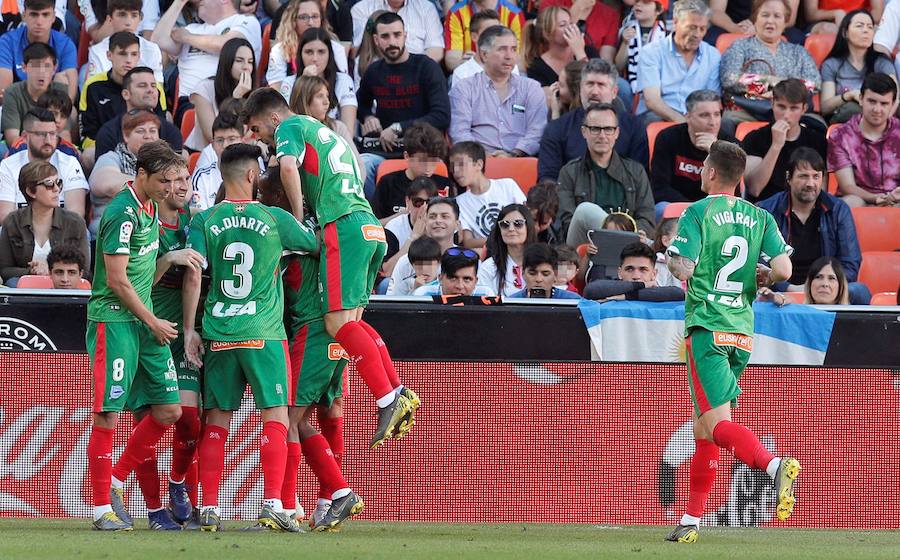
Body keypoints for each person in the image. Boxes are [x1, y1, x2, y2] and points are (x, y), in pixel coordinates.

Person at [243, 87, 419, 448]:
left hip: (343, 226)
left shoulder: (289, 128)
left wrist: (297, 214)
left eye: (257, 129)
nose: (258, 138)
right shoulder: (326, 132)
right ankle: (397, 389)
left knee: (336, 323)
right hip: (369, 225)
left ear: (274, 119)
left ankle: (388, 398)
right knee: (351, 324)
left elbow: (289, 166)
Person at [664, 140, 799, 544]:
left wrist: (672, 260)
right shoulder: (760, 217)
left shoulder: (696, 212)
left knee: (718, 424)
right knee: (704, 427)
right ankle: (691, 520)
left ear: (709, 172)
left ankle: (775, 466)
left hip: (707, 327)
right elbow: (784, 268)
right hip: (741, 332)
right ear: (740, 178)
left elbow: (682, 265)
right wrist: (766, 277)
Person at [181, 143, 319, 532]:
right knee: (275, 415)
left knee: (216, 421)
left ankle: (208, 507)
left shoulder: (203, 221)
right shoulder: (274, 218)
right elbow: (314, 245)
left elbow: (193, 274)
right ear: (252, 175)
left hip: (219, 331)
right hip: (264, 333)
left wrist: (191, 330)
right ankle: (273, 502)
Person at [85, 141, 204, 531]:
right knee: (108, 414)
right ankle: (101, 507)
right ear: (142, 175)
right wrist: (153, 322)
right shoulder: (122, 212)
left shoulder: (150, 208)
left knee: (170, 410)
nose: (173, 188)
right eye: (164, 180)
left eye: (176, 180)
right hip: (116, 322)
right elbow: (117, 281)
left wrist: (166, 262)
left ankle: (116, 479)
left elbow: (141, 277)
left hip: (144, 321)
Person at [758, 147, 870, 304]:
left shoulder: (838, 209)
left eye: (816, 176)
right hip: (781, 288)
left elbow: (850, 262)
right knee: (759, 294)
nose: (810, 183)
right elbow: (760, 264)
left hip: (826, 287)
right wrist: (790, 288)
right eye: (803, 176)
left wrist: (820, 286)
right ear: (789, 178)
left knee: (860, 291)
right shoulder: (766, 211)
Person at [558, 103, 655, 246]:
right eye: (595, 129)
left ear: (617, 133)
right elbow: (567, 222)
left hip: (629, 247)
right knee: (585, 211)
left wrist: (634, 235)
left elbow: (647, 218)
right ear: (584, 132)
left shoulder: (636, 171)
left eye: (608, 129)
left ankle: (619, 239)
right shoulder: (569, 172)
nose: (602, 135)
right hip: (587, 246)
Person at [538, 58, 648, 181]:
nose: (594, 92)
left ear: (614, 92)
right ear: (580, 88)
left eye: (601, 85)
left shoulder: (634, 127)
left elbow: (639, 178)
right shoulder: (557, 128)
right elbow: (548, 178)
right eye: (589, 84)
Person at [152, 0, 261, 120]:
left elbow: (226, 44)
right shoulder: (191, 28)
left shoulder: (246, 22)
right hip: (190, 105)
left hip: (229, 100)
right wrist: (179, 2)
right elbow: (157, 40)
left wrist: (186, 37)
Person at [449, 25, 547, 157]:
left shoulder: (531, 88)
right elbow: (459, 133)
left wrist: (513, 154)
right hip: (477, 163)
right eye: (502, 49)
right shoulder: (464, 88)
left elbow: (537, 132)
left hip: (520, 160)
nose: (509, 56)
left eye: (513, 49)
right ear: (484, 55)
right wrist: (485, 156)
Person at [719, 0, 820, 125]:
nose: (770, 21)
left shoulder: (798, 52)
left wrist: (782, 86)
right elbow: (729, 79)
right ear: (755, 19)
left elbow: (814, 83)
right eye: (765, 15)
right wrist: (768, 81)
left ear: (785, 22)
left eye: (777, 16)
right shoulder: (740, 46)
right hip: (747, 111)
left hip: (790, 112)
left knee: (817, 124)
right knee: (727, 122)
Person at [357, 12, 450, 147]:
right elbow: (359, 103)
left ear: (405, 35)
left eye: (397, 35)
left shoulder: (427, 67)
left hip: (423, 148)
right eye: (385, 36)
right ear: (376, 40)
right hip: (384, 148)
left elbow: (441, 116)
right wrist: (367, 117)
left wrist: (399, 127)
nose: (392, 42)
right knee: (364, 164)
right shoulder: (373, 71)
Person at [0, 160, 89, 286]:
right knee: (15, 284)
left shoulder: (75, 222)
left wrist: (52, 270)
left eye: (58, 183)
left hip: (65, 285)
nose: (56, 189)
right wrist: (32, 271)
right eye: (49, 184)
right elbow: (4, 270)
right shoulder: (12, 221)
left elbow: (84, 271)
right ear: (31, 191)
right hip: (26, 287)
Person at [741, 78, 828, 203]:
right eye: (781, 107)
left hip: (804, 209)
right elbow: (755, 188)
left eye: (794, 108)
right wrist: (776, 146)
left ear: (804, 109)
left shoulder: (817, 141)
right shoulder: (755, 138)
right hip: (765, 210)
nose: (786, 115)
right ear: (772, 104)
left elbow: (820, 189)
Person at [636, 0, 721, 124]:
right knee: (652, 121)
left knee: (724, 125)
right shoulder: (651, 52)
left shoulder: (712, 55)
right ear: (675, 22)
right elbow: (652, 101)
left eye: (702, 29)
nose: (697, 34)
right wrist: (683, 123)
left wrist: (696, 122)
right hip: (660, 114)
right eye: (692, 27)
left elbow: (712, 99)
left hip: (697, 117)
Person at [651, 90, 735, 211]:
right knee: (661, 209)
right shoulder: (667, 138)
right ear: (688, 117)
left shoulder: (730, 145)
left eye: (717, 114)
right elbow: (659, 188)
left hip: (714, 211)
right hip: (677, 207)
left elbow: (731, 196)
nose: (713, 122)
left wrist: (717, 153)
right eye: (705, 115)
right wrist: (693, 209)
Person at [0, 109, 87, 223]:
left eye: (52, 134)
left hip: (62, 233)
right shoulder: (8, 166)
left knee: (83, 232)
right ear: (25, 137)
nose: (48, 140)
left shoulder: (69, 163)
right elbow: (5, 217)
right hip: (21, 233)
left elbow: (76, 213)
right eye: (40, 134)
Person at [827, 72, 900, 207]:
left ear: (893, 104)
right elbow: (847, 186)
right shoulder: (840, 135)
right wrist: (878, 198)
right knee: (850, 202)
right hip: (860, 199)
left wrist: (894, 197)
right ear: (861, 99)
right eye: (872, 101)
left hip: (897, 201)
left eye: (884, 103)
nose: (877, 109)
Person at [88, 110, 161, 239]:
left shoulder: (165, 162)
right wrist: (157, 185)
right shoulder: (111, 158)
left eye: (153, 131)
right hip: (111, 232)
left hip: (154, 233)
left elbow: (184, 190)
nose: (148, 136)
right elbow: (106, 184)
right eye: (140, 131)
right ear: (126, 136)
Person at [80, 32, 155, 150]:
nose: (129, 60)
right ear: (109, 55)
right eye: (122, 54)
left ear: (139, 56)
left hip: (145, 148)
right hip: (105, 146)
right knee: (89, 154)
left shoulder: (152, 86)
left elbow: (161, 124)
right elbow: (88, 132)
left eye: (134, 54)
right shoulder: (93, 86)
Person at [820, 9, 896, 125]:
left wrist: (881, 125)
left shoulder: (882, 62)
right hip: (844, 124)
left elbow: (895, 98)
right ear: (845, 33)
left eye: (870, 27)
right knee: (851, 109)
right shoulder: (832, 64)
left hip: (879, 121)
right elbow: (825, 107)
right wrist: (848, 95)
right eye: (859, 26)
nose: (866, 30)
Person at [94, 67, 183, 159]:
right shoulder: (109, 132)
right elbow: (104, 169)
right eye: (142, 85)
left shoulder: (170, 132)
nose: (150, 90)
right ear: (126, 94)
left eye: (153, 85)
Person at [450, 140, 527, 247]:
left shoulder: (507, 185)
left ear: (479, 164)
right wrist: (503, 239)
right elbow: (468, 242)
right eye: (452, 166)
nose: (455, 170)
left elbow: (527, 220)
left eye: (461, 164)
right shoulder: (459, 202)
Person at [186, 37, 256, 152]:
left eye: (250, 62)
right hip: (206, 154)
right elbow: (215, 136)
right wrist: (236, 98)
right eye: (239, 60)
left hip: (241, 155)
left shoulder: (254, 95)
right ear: (227, 62)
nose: (246, 67)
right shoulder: (204, 89)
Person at [281, 28, 356, 134]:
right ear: (300, 55)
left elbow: (348, 130)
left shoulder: (343, 80)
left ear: (329, 54)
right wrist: (304, 85)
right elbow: (288, 126)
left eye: (321, 52)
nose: (315, 58)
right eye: (309, 52)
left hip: (336, 141)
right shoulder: (289, 83)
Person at [0, 0, 77, 102]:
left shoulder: (66, 44)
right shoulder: (7, 42)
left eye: (45, 15)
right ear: (24, 16)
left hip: (53, 108)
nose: (39, 22)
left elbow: (69, 100)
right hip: (18, 107)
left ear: (54, 17)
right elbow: (3, 91)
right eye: (33, 14)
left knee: (62, 81)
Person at [289, 75, 364, 176]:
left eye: (327, 96)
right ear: (304, 100)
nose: (327, 102)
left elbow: (358, 165)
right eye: (320, 96)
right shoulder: (289, 132)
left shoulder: (337, 128)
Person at [371, 121, 449, 219]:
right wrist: (403, 215)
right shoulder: (388, 183)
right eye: (422, 161)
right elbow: (374, 225)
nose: (428, 167)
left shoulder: (444, 185)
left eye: (433, 161)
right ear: (407, 156)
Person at [267, 0, 348, 93]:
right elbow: (277, 92)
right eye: (303, 17)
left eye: (315, 16)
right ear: (293, 20)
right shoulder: (280, 50)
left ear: (322, 19)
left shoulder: (336, 48)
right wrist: (303, 82)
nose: (310, 22)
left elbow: (343, 87)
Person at [387, 196, 461, 296]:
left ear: (457, 224)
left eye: (445, 216)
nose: (438, 221)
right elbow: (392, 302)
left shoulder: (466, 260)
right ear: (425, 222)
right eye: (432, 216)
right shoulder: (406, 261)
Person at [1, 42, 68, 145]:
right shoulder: (13, 92)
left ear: (54, 69)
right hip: (23, 147)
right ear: (24, 67)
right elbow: (12, 138)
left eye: (47, 66)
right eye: (35, 66)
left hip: (52, 146)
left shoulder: (59, 91)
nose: (41, 71)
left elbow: (65, 134)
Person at [86, 0, 164, 83]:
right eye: (122, 15)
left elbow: (157, 90)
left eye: (134, 15)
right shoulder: (97, 51)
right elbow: (94, 90)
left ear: (140, 18)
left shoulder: (152, 50)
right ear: (110, 19)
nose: (128, 22)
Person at [583, 241, 685, 300]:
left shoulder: (661, 292)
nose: (636, 276)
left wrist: (627, 296)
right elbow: (591, 290)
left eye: (643, 270)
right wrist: (643, 285)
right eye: (629, 269)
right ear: (619, 272)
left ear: (654, 274)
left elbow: (678, 293)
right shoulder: (610, 289)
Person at [190, 109, 247, 213]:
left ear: (242, 141)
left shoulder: (255, 173)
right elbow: (198, 216)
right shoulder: (202, 176)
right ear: (212, 144)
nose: (225, 145)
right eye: (220, 140)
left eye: (232, 139)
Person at [351, 0, 444, 63]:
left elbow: (436, 50)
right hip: (377, 75)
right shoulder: (361, 9)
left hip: (418, 73)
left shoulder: (426, 8)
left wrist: (410, 67)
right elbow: (359, 51)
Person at [523, 7, 593, 89]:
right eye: (562, 25)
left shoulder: (588, 51)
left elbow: (595, 85)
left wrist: (580, 53)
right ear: (547, 34)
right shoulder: (536, 67)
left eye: (571, 23)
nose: (570, 28)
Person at [445, 2, 523, 73]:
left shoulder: (514, 14)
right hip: (469, 71)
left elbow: (521, 60)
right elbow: (451, 60)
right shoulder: (456, 12)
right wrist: (472, 62)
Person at [478, 203, 536, 297]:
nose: (511, 229)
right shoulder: (488, 268)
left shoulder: (542, 265)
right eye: (505, 225)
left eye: (518, 224)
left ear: (528, 227)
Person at [383, 176, 438, 273]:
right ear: (407, 201)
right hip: (403, 279)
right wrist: (413, 237)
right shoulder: (394, 227)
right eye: (418, 202)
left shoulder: (442, 225)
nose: (424, 207)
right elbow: (387, 271)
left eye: (429, 202)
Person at [539, 0, 620, 61]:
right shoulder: (551, 3)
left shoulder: (610, 14)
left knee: (621, 83)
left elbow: (606, 60)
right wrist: (578, 8)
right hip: (555, 63)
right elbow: (548, 39)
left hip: (590, 68)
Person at [615, 0, 668, 92]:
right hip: (630, 86)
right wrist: (625, 43)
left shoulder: (667, 35)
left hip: (658, 87)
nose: (638, 4)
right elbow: (619, 66)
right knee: (619, 84)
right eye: (637, 1)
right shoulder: (627, 30)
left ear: (659, 10)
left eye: (645, 2)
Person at [509, 242, 581, 299]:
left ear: (555, 275)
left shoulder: (573, 301)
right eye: (532, 273)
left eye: (545, 274)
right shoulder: (510, 304)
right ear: (523, 274)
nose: (539, 279)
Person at [414, 247, 488, 296]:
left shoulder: (486, 295)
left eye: (467, 279)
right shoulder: (423, 294)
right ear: (440, 278)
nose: (460, 286)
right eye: (453, 278)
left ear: (476, 281)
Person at [525, 180, 560, 245]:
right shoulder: (509, 228)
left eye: (544, 223)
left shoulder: (558, 235)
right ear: (525, 206)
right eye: (533, 220)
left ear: (552, 219)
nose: (536, 227)